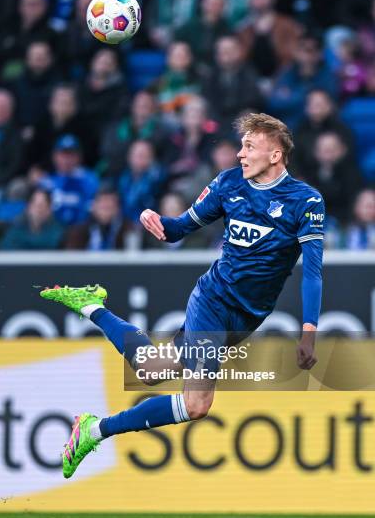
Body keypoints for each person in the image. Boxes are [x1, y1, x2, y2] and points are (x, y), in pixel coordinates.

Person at [40, 112, 325, 479]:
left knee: (149, 368)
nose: (240, 154)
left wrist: (309, 330)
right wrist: (160, 222)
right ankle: (97, 431)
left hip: (248, 316)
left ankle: (92, 307)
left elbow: (313, 271)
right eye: (240, 145)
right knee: (197, 404)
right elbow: (181, 228)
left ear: (275, 155)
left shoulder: (306, 201)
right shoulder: (228, 184)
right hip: (213, 300)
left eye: (249, 146)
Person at [38, 134, 99, 225]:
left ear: (79, 157)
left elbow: (93, 210)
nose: (66, 160)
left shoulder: (89, 180)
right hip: (52, 232)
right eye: (63, 155)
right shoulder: (46, 182)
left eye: (71, 155)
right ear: (55, 156)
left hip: (80, 230)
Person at [0, 188, 65, 250]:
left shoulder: (59, 230)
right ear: (28, 207)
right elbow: (7, 248)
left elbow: (54, 245)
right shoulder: (16, 227)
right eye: (35, 205)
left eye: (42, 206)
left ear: (49, 209)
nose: (38, 210)